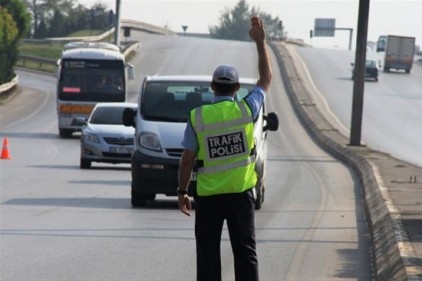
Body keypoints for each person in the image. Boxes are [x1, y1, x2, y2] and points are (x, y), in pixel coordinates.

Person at [177, 16, 272, 281]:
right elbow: (266, 79)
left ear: (212, 86)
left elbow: (186, 161)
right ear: (238, 88)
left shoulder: (198, 117)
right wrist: (260, 44)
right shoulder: (247, 108)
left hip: (208, 197)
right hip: (241, 194)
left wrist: (182, 192)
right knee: (245, 251)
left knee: (207, 253)